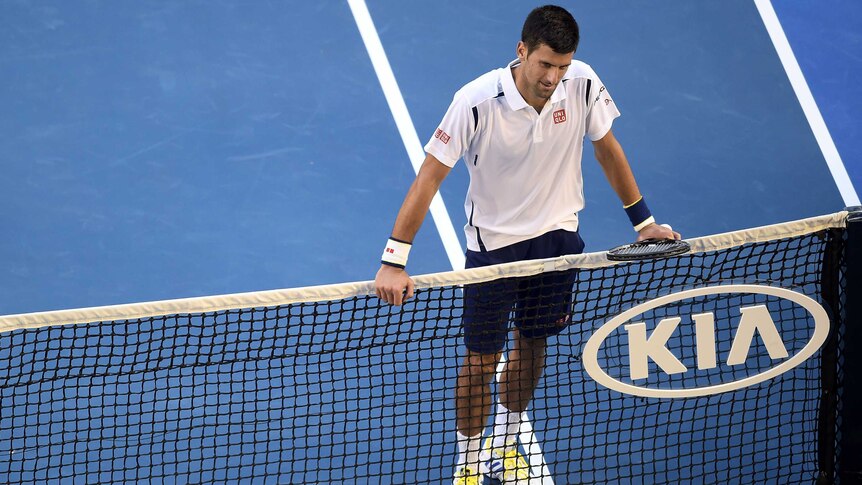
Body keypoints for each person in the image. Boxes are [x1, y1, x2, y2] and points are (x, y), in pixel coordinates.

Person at [374, 5, 679, 484]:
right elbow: (429, 177)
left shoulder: (582, 82)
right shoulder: (475, 101)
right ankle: (471, 460)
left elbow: (606, 147)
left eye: (562, 66)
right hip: (494, 251)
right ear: (521, 52)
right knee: (479, 361)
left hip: (558, 242)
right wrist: (394, 260)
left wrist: (645, 223)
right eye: (545, 65)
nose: (554, 77)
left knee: (533, 346)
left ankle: (506, 441)